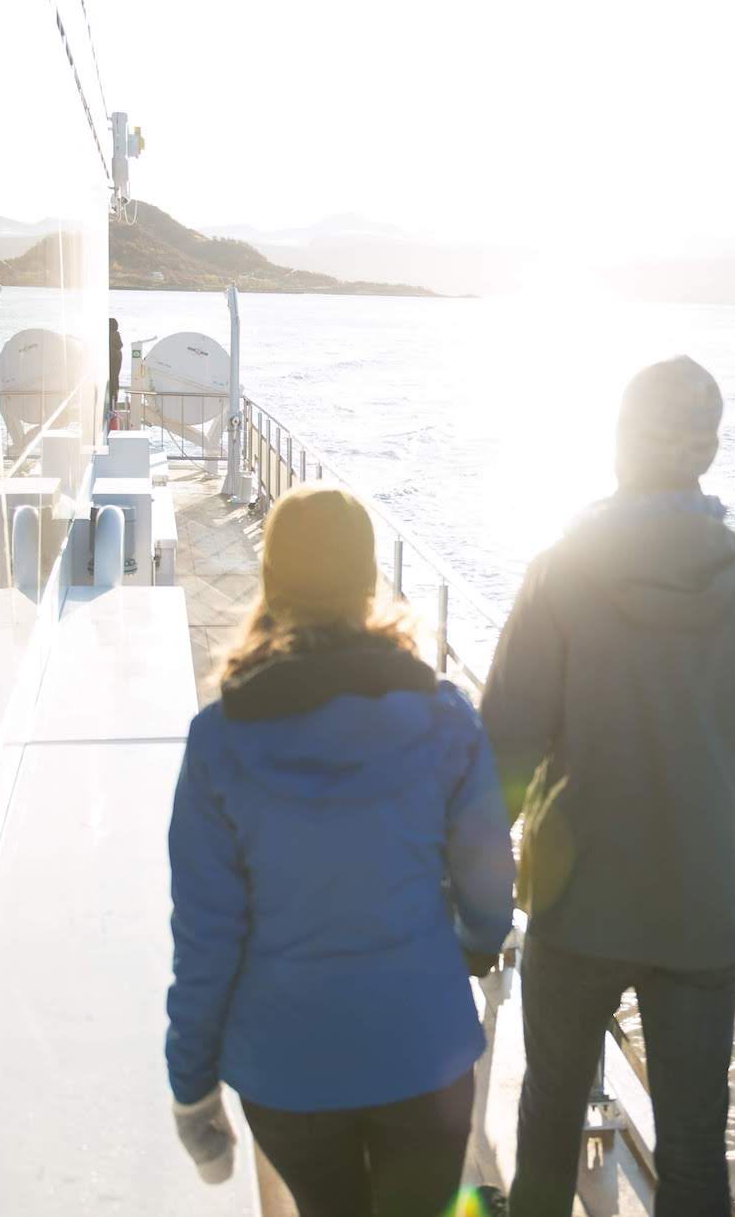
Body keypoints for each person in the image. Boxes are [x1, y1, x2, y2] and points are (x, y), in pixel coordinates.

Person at [481, 356, 735, 1217]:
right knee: (696, 1143)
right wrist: (716, 799)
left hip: (577, 893)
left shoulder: (562, 572)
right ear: (705, 451)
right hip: (703, 905)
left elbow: (505, 749)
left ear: (620, 445)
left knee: (551, 1110)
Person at [165, 484, 515, 1215]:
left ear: (272, 582)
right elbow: (488, 888)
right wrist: (469, 943)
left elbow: (206, 937)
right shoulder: (447, 719)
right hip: (423, 1049)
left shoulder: (220, 741)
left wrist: (193, 1089)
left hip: (287, 1068)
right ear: (367, 583)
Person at [107, 316, 123, 424]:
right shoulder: (115, 336)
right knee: (115, 380)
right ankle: (114, 401)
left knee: (113, 380)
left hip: (112, 362)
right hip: (116, 360)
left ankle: (112, 402)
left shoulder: (109, 338)